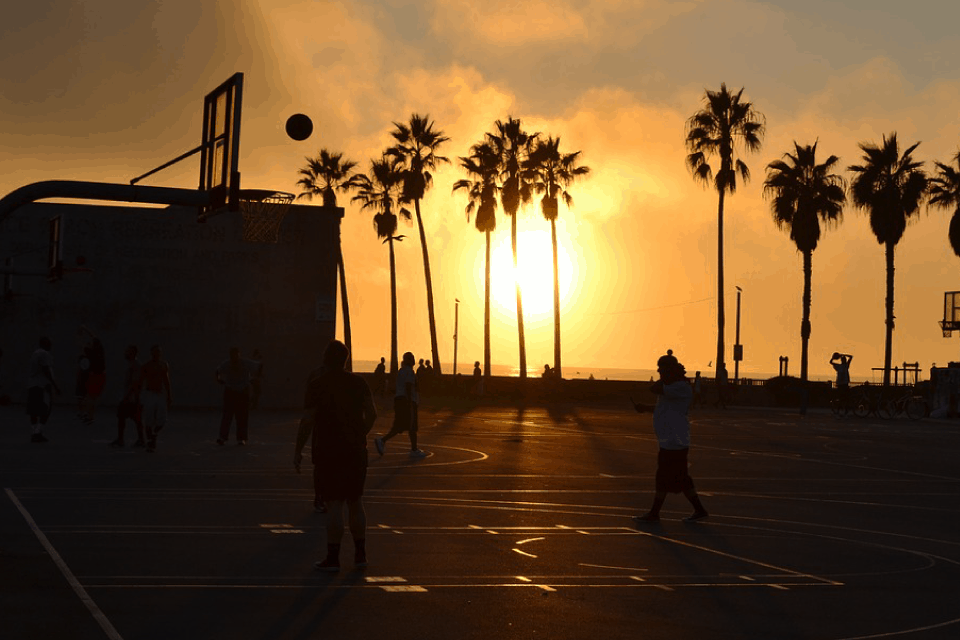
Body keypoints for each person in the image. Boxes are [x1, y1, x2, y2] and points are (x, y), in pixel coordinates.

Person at [295, 340, 377, 572]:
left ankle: (333, 558)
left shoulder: (317, 385)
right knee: (355, 502)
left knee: (334, 504)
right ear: (345, 360)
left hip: (328, 450)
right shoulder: (359, 383)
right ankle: (360, 555)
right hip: (355, 450)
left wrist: (298, 449)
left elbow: (307, 420)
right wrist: (360, 433)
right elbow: (372, 413)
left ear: (325, 360)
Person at [632, 352, 709, 523]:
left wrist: (669, 376)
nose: (659, 372)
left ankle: (654, 513)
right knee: (681, 478)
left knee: (664, 476)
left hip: (675, 440)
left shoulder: (680, 387)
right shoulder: (673, 386)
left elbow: (654, 388)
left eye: (662, 369)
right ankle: (699, 509)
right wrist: (645, 408)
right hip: (670, 439)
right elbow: (663, 407)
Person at [375, 352, 426, 458]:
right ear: (409, 360)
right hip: (406, 401)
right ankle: (413, 450)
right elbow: (408, 387)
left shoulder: (401, 371)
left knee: (402, 426)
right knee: (411, 425)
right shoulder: (409, 372)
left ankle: (384, 441)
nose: (414, 360)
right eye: (412, 358)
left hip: (400, 400)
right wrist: (410, 403)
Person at [215, 347, 260, 445]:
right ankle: (223, 437)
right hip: (231, 390)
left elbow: (259, 367)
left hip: (241, 391)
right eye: (233, 356)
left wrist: (255, 379)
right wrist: (219, 379)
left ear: (238, 355)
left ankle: (241, 438)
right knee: (228, 416)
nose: (234, 358)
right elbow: (218, 370)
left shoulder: (244, 363)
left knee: (241, 416)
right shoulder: (227, 363)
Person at [26, 337, 61, 443]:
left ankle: (35, 431)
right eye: (48, 343)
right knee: (45, 409)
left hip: (32, 385)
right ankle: (38, 432)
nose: (50, 346)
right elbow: (46, 370)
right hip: (42, 386)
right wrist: (55, 385)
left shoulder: (35, 354)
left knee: (33, 410)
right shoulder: (44, 354)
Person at [140, 345, 172, 453]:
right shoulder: (146, 366)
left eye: (158, 352)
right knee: (148, 419)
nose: (156, 354)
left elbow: (166, 380)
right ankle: (150, 442)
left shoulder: (163, 365)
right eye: (155, 352)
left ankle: (154, 434)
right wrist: (138, 396)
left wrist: (169, 395)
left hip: (160, 394)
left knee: (162, 419)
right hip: (149, 393)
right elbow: (141, 381)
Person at [111, 345, 144, 448]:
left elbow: (135, 384)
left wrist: (127, 397)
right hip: (130, 397)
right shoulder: (131, 365)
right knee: (130, 418)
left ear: (133, 353)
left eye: (128, 352)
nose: (125, 353)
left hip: (131, 398)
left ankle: (125, 440)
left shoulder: (136, 365)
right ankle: (138, 439)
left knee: (131, 418)